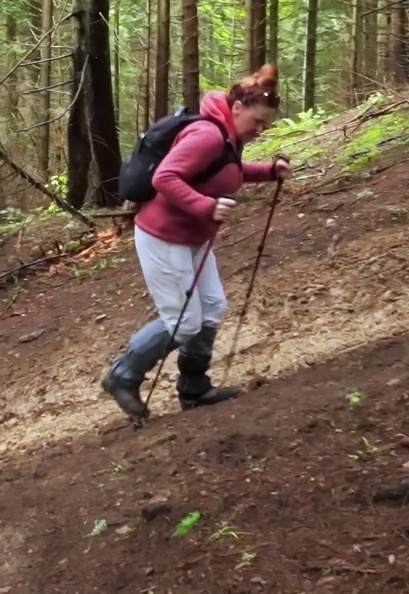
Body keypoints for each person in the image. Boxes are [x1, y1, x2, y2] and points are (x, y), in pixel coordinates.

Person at [102, 64, 291, 419]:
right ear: (237, 109)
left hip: (193, 238)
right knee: (183, 321)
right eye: (257, 122)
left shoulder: (228, 137)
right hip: (163, 237)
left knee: (212, 307)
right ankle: (122, 374)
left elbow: (225, 172)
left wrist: (267, 171)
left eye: (265, 124)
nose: (260, 130)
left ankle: (194, 388)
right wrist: (207, 206)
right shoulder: (207, 134)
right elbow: (165, 177)